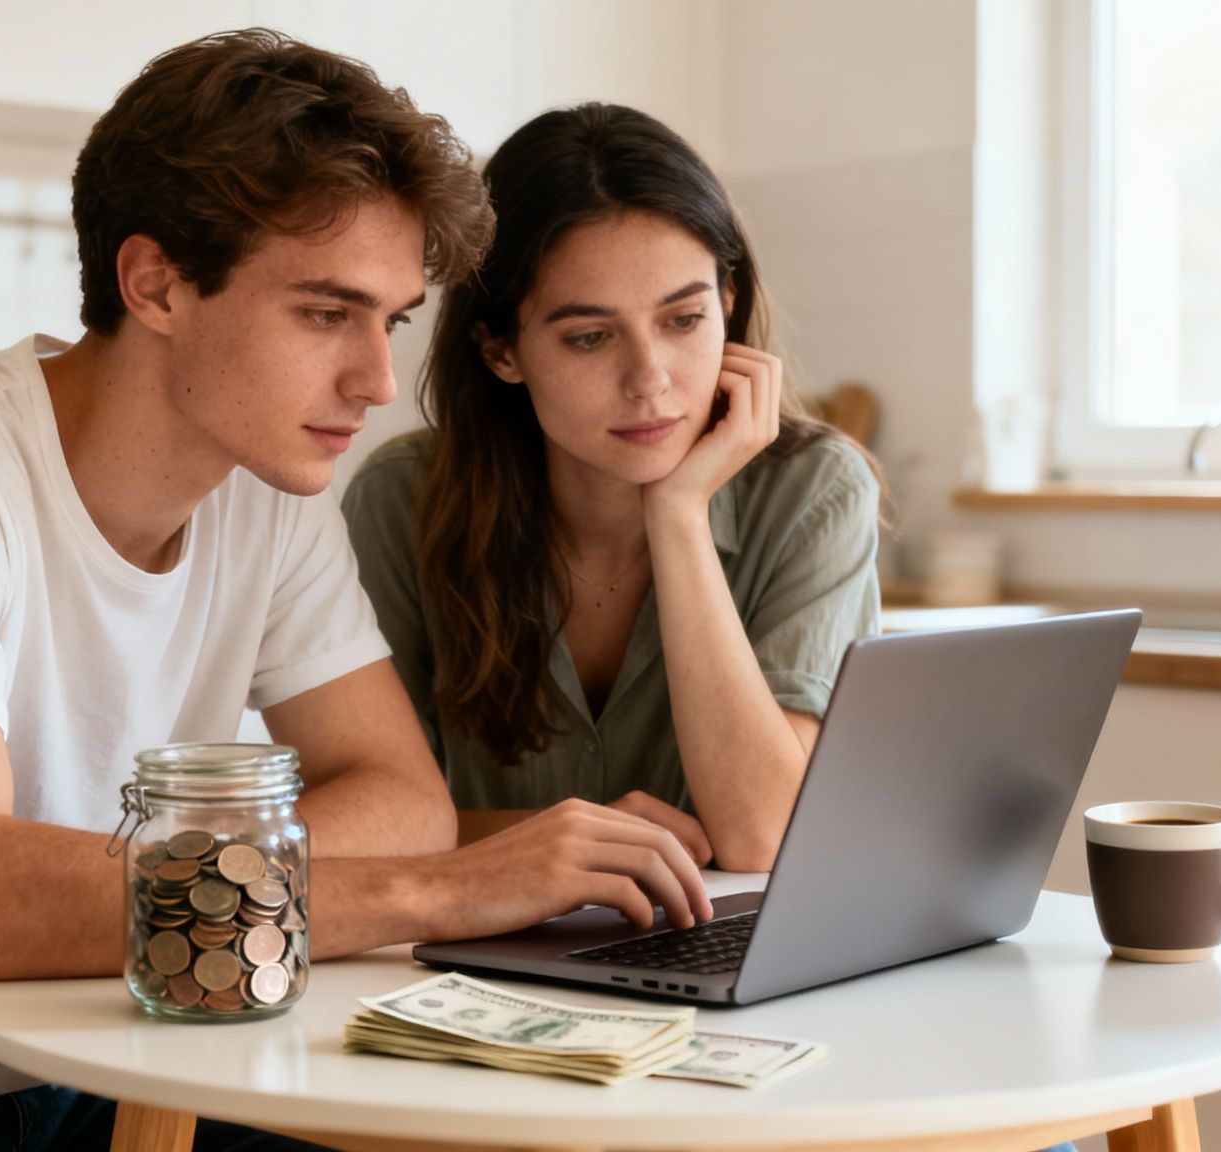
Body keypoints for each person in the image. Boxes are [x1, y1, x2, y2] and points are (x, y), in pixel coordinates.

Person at [0, 34, 713, 1152]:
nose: (375, 381)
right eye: (326, 313)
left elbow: (398, 795)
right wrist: (439, 893)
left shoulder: (269, 493)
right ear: (156, 282)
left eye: (392, 320)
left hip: (101, 1054)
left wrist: (166, 884)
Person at [341, 103, 887, 875]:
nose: (650, 382)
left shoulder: (815, 490)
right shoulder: (402, 501)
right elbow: (370, 821)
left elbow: (764, 834)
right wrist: (583, 842)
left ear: (727, 303)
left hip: (733, 962)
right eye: (590, 337)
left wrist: (679, 511)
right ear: (502, 351)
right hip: (473, 955)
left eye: (684, 319)